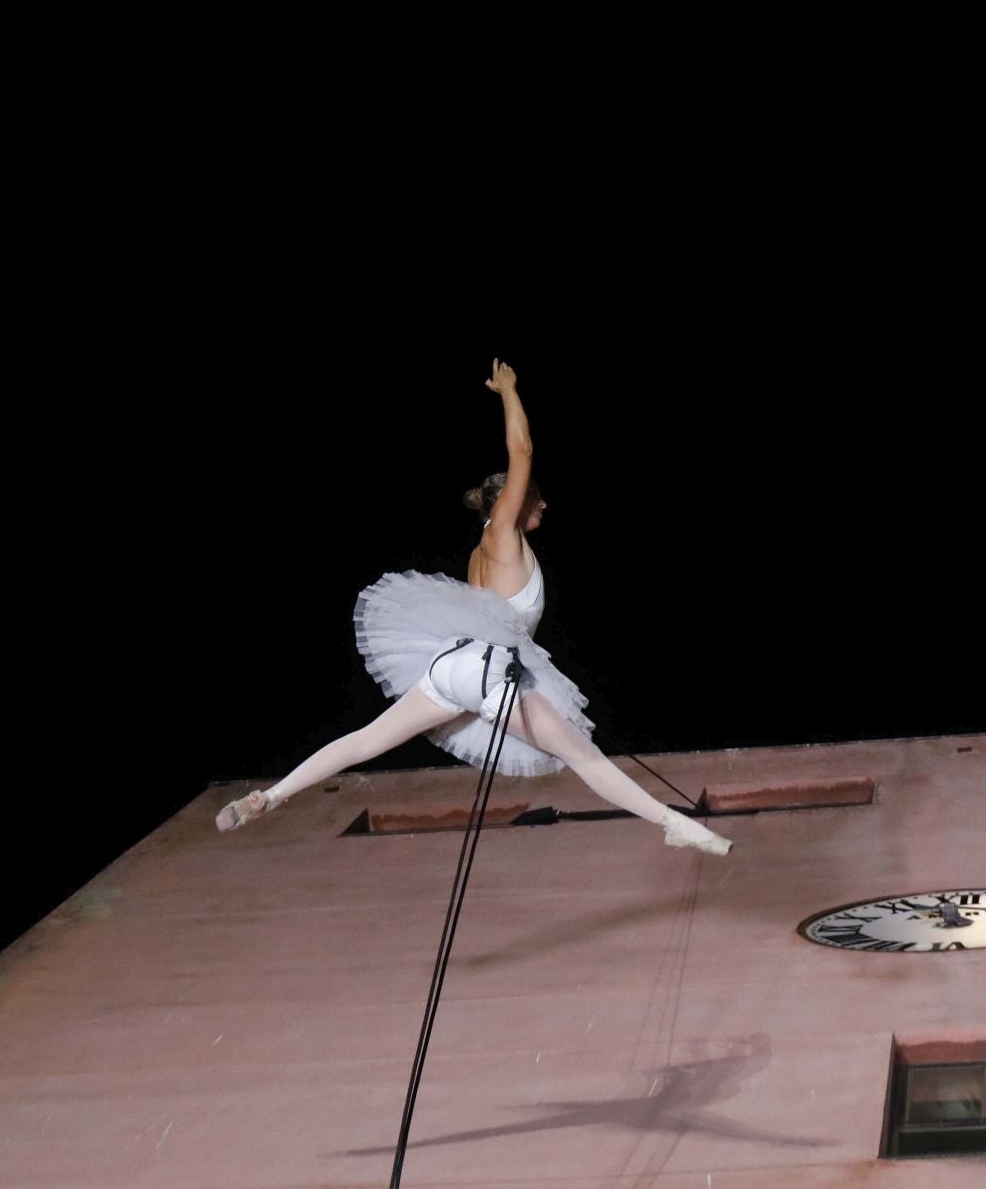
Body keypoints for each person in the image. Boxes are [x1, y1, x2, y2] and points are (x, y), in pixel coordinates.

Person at [216, 361, 733, 852]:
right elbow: (523, 451)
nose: (544, 503)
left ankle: (271, 796)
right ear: (513, 501)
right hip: (487, 676)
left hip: (452, 667)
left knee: (368, 740)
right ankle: (672, 824)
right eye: (536, 497)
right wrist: (509, 389)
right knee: (582, 755)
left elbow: (495, 621)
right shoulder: (502, 536)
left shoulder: (480, 554)